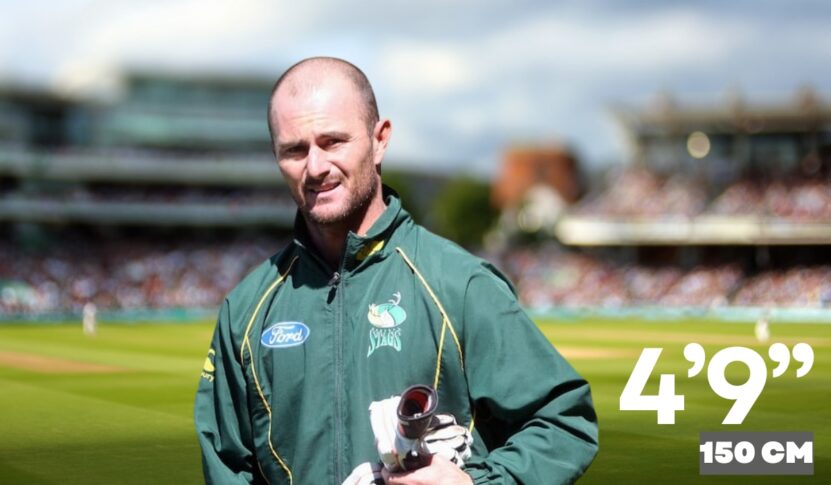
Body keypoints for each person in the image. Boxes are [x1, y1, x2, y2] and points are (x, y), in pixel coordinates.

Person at [194, 56, 598, 485]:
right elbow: (228, 466)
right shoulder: (246, 311)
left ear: (380, 139)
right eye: (294, 150)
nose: (314, 167)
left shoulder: (459, 285)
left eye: (333, 141)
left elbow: (564, 421)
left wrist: (475, 484)